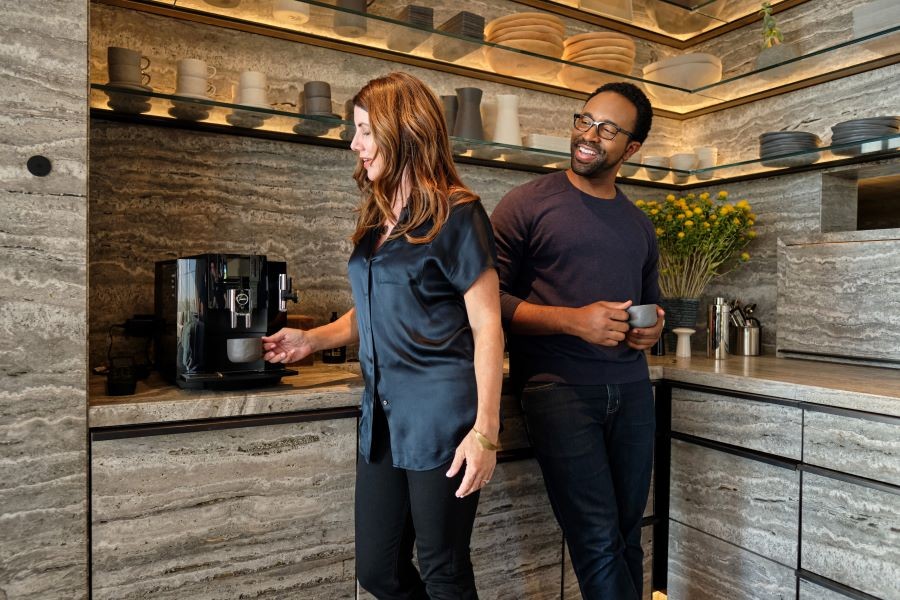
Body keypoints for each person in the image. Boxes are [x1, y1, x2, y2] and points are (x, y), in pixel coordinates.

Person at [261, 71, 503, 600]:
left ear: (404, 131)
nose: (356, 144)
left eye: (366, 130)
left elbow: (488, 327)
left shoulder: (457, 214)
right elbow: (373, 307)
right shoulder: (377, 218)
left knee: (443, 570)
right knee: (377, 571)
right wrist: (311, 341)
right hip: (383, 420)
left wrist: (485, 430)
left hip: (442, 420)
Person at [490, 81, 664, 599]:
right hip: (557, 390)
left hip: (632, 391)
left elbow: (651, 305)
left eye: (607, 129)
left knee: (628, 537)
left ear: (630, 149)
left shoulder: (638, 225)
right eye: (584, 120)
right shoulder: (525, 204)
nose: (589, 135)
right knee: (597, 541)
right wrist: (572, 321)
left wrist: (651, 328)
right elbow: (483, 303)